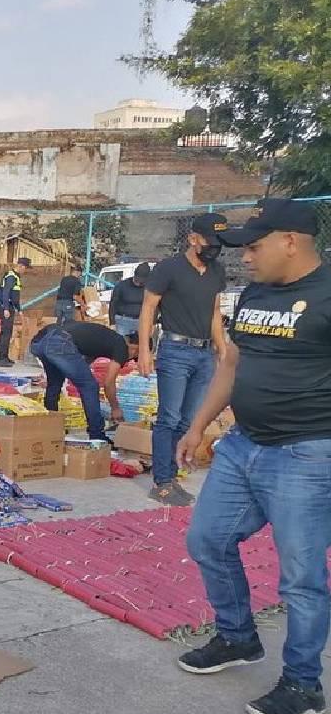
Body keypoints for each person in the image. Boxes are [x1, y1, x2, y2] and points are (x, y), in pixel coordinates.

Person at [176, 198, 331, 714]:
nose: (245, 257)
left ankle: (303, 684)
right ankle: (238, 637)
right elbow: (231, 363)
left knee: (301, 578)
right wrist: (198, 426)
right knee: (207, 540)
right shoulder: (256, 294)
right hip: (244, 445)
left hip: (306, 454)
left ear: (291, 241)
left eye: (254, 247)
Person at [138, 211, 229, 506]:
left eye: (219, 242)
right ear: (193, 239)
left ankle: (172, 476)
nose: (214, 248)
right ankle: (162, 482)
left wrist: (223, 351)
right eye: (209, 241)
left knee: (189, 420)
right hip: (175, 350)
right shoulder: (169, 268)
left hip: (204, 354)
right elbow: (148, 308)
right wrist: (144, 351)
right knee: (169, 417)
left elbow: (215, 313)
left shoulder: (217, 272)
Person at [30, 321, 139, 443]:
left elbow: (81, 363)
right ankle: (97, 435)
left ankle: (51, 428)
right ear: (135, 348)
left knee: (55, 384)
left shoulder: (105, 339)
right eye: (136, 356)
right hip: (59, 342)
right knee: (90, 387)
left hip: (40, 340)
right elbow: (108, 382)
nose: (131, 359)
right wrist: (115, 408)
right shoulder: (122, 346)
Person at [0, 256, 29, 367]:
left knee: (8, 333)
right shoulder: (11, 277)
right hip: (6, 308)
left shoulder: (16, 277)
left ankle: (5, 357)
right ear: (21, 266)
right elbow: (6, 293)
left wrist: (19, 310)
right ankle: (2, 359)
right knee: (5, 334)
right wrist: (6, 308)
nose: (25, 271)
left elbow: (15, 296)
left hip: (10, 308)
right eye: (25, 268)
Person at [109, 262, 149, 337]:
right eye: (137, 280)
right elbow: (113, 304)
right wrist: (112, 322)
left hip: (142, 321)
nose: (138, 283)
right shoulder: (121, 285)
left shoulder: (149, 287)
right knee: (120, 342)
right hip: (123, 320)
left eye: (141, 282)